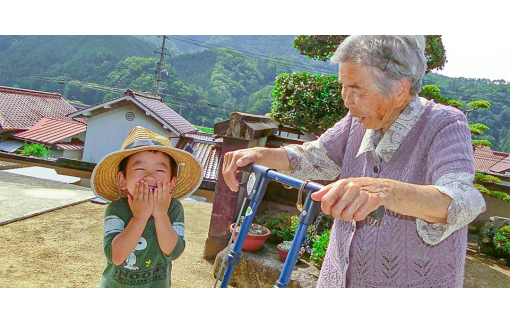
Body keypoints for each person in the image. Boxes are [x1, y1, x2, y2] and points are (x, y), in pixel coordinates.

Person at [222, 35, 486, 288]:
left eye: (356, 89)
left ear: (399, 90)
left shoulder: (445, 124)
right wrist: (261, 154)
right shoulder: (358, 120)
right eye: (343, 87)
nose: (346, 100)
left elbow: (463, 199)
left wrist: (384, 191)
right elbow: (316, 155)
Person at [91, 126, 203, 287]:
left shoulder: (174, 209)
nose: (150, 176)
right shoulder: (116, 209)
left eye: (159, 170)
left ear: (172, 182)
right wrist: (139, 217)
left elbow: (173, 252)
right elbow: (115, 257)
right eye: (140, 168)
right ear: (122, 180)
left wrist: (161, 215)